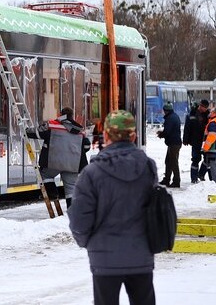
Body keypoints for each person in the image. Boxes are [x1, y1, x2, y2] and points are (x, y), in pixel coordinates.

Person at [69, 110, 158, 305]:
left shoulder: (91, 172)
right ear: (133, 136)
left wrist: (89, 243)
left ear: (106, 136)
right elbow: (156, 210)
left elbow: (79, 218)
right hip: (141, 255)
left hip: (104, 258)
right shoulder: (148, 167)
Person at [26, 107, 90, 208]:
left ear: (60, 115)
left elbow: (37, 132)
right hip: (73, 164)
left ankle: (53, 194)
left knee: (45, 175)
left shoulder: (52, 125)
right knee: (71, 188)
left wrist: (26, 131)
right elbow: (87, 146)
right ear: (71, 116)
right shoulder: (79, 130)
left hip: (53, 162)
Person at [183, 99, 209, 183]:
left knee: (207, 159)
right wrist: (185, 139)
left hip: (205, 141)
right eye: (204, 107)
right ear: (200, 106)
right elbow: (187, 128)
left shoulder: (207, 115)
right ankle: (193, 178)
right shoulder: (192, 114)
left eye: (206, 108)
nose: (205, 109)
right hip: (195, 140)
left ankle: (201, 174)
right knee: (195, 159)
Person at [157, 101, 182, 188]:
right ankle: (167, 179)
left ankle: (176, 181)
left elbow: (167, 131)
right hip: (174, 143)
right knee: (169, 161)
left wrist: (161, 134)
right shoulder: (174, 116)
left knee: (173, 163)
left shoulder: (170, 118)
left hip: (174, 143)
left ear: (166, 111)